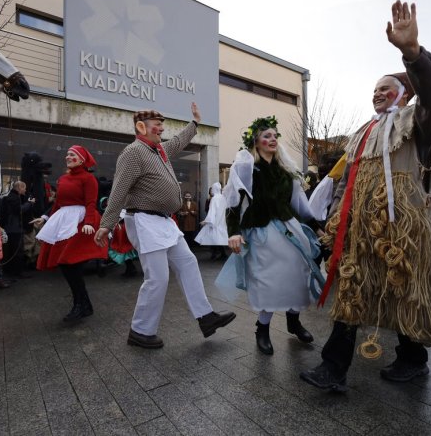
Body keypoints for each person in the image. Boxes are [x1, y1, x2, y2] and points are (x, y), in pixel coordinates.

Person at [300, 0, 431, 392]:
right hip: (361, 232)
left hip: (403, 233)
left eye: (385, 89)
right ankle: (332, 368)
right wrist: (336, 220)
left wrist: (412, 53)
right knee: (352, 295)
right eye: (373, 90)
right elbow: (345, 182)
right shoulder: (361, 134)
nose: (377, 94)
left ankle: (413, 359)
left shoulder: (417, 123)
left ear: (404, 95)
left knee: (405, 295)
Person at [94, 104, 236, 349]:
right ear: (141, 127)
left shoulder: (158, 150)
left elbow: (178, 141)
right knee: (157, 278)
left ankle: (206, 317)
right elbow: (119, 190)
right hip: (144, 220)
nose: (161, 128)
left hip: (163, 221)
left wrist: (195, 124)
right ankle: (140, 331)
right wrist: (106, 223)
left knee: (189, 263)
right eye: (156, 124)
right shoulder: (133, 153)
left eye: (162, 124)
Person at [220, 115, 323, 355]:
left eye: (275, 136)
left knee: (299, 276)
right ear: (256, 142)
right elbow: (233, 204)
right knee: (268, 281)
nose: (272, 139)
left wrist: (319, 228)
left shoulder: (287, 172)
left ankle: (293, 320)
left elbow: (300, 206)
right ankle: (262, 329)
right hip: (262, 233)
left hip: (290, 230)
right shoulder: (247, 168)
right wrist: (233, 233)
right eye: (267, 136)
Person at [33, 145, 108, 323]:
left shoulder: (89, 178)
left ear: (82, 159)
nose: (67, 157)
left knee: (69, 263)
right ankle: (83, 305)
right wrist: (44, 218)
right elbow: (58, 204)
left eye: (72, 154)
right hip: (64, 221)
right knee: (67, 265)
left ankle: (80, 305)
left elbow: (91, 203)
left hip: (81, 222)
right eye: (67, 154)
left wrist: (89, 223)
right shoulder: (62, 179)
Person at [0, 181, 34, 279]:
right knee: (17, 251)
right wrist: (29, 203)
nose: (25, 190)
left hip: (11, 228)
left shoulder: (11, 196)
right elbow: (18, 210)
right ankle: (18, 272)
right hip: (14, 229)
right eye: (24, 188)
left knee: (12, 251)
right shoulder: (13, 198)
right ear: (19, 188)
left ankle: (13, 272)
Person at [195, 182, 228, 260]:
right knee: (219, 238)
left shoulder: (214, 198)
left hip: (215, 222)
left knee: (213, 238)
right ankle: (221, 254)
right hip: (222, 221)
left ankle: (216, 254)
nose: (211, 191)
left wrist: (207, 221)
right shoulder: (223, 197)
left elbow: (212, 211)